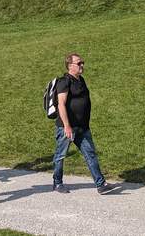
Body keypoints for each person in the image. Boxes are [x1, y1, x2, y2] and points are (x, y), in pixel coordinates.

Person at [52, 53, 114, 194]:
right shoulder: (64, 81)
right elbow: (61, 104)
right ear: (70, 66)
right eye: (79, 63)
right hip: (67, 128)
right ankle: (57, 183)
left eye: (82, 62)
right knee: (60, 156)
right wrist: (67, 126)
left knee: (90, 154)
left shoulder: (81, 80)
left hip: (82, 127)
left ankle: (100, 184)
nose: (82, 65)